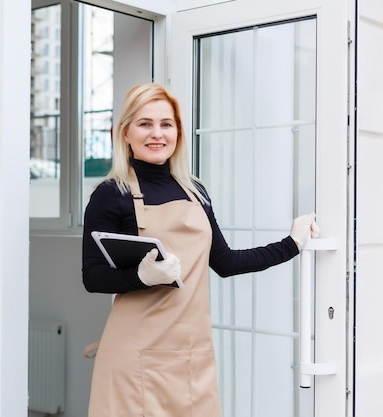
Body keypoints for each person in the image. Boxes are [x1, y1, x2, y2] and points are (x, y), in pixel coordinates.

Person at [81, 82, 318, 416]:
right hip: (135, 356)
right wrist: (141, 276)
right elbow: (92, 277)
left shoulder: (196, 191)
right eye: (145, 124)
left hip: (190, 355)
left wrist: (291, 244)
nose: (157, 134)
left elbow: (225, 262)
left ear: (177, 131)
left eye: (166, 124)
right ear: (125, 133)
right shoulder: (111, 194)